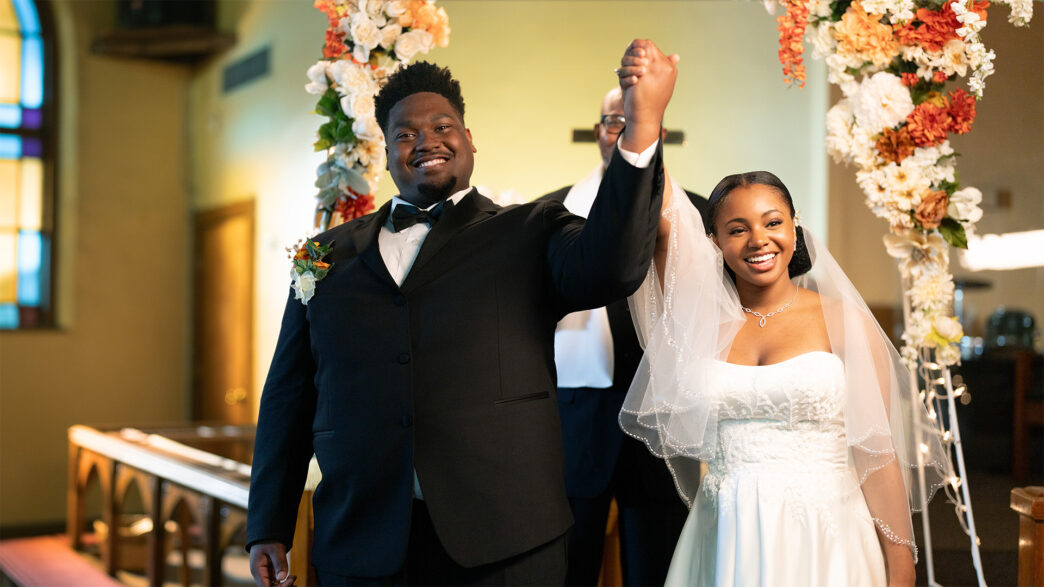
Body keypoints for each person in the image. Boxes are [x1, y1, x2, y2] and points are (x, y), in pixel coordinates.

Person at [246, 39, 680, 586]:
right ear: (387, 152)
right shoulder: (324, 256)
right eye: (406, 133)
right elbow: (289, 394)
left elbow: (612, 266)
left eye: (442, 127)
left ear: (469, 140)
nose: (426, 141)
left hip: (505, 542)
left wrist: (640, 132)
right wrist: (269, 522)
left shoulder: (528, 230)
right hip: (361, 542)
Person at [618, 171, 953, 586]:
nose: (758, 239)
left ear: (795, 228)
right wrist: (643, 132)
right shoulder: (700, 328)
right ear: (715, 243)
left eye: (773, 222)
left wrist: (902, 566)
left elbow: (877, 456)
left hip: (825, 533)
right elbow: (666, 219)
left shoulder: (843, 321)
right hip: (727, 533)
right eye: (738, 229)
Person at [540, 86, 704, 586]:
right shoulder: (551, 214)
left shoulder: (696, 216)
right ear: (598, 133)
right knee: (569, 569)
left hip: (662, 426)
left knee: (657, 568)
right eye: (616, 122)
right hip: (576, 424)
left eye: (636, 122)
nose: (626, 131)